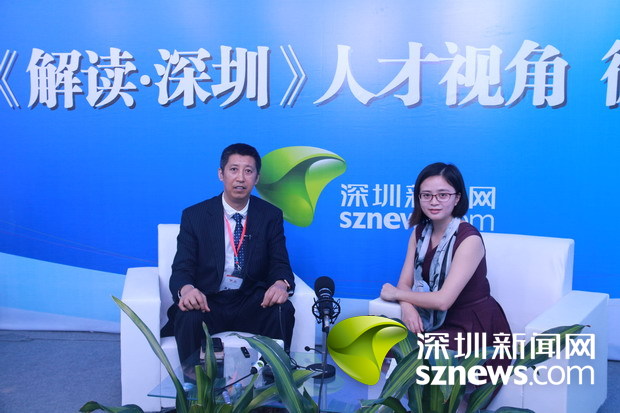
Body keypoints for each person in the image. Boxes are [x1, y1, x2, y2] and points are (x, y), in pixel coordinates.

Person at [162, 143, 296, 365]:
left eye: (248, 171)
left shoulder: (270, 215)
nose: (240, 178)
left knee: (282, 309)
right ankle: (193, 383)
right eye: (234, 169)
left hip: (250, 300)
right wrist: (187, 290)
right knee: (187, 314)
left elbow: (279, 262)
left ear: (257, 178)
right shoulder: (195, 216)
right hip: (208, 301)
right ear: (221, 174)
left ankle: (274, 379)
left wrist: (281, 284)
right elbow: (182, 267)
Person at [380, 162, 511, 362]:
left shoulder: (469, 239)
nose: (434, 202)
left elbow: (443, 301)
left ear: (457, 198)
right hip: (432, 321)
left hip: (471, 328)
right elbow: (404, 282)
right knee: (374, 336)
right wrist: (407, 307)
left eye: (443, 195)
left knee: (406, 351)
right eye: (426, 195)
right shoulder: (419, 233)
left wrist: (397, 294)